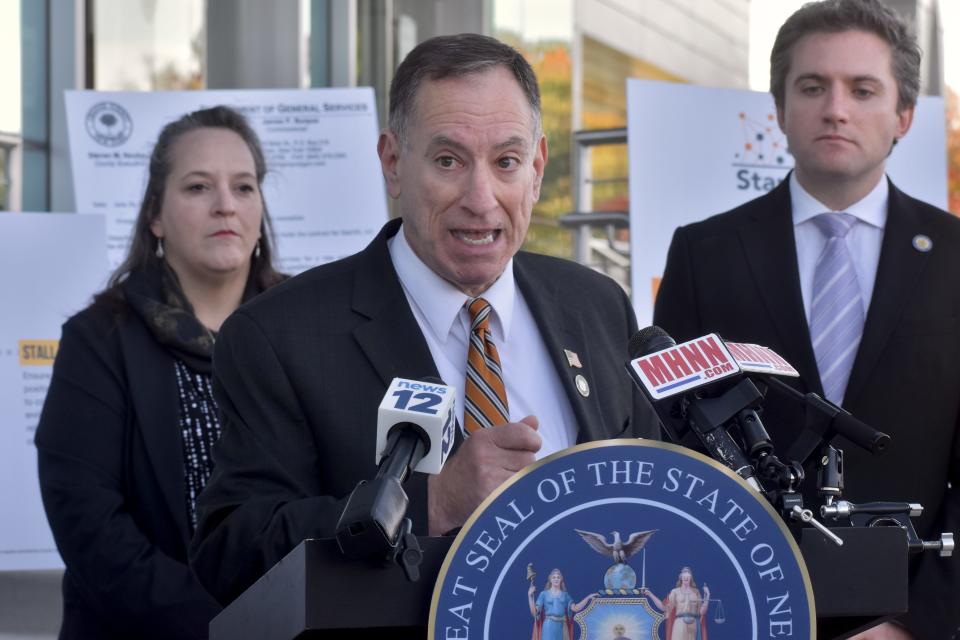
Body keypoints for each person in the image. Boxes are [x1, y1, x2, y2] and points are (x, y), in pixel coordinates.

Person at [189, 33, 659, 611]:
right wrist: (430, 501)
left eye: (505, 162)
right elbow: (231, 549)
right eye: (448, 161)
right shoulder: (278, 336)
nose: (481, 198)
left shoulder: (597, 305)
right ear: (393, 164)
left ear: (536, 169)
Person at [653, 1, 959, 637]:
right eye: (813, 86)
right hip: (740, 607)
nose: (836, 108)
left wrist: (918, 621)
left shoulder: (957, 258)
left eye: (863, 89)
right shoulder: (703, 254)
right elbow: (673, 448)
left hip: (912, 616)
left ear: (904, 115)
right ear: (780, 108)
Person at [35, 106, 285, 639]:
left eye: (243, 187)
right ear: (155, 215)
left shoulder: (306, 325)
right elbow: (89, 527)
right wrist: (227, 626)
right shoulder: (98, 339)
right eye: (198, 188)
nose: (225, 206)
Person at [642, 567, 710, 640]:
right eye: (684, 575)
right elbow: (664, 607)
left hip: (693, 626)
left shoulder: (696, 592)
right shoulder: (675, 592)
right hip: (679, 624)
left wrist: (707, 595)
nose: (686, 577)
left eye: (688, 575)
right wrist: (650, 594)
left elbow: (701, 612)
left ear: (691, 577)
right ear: (681, 577)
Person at [527, 568, 596, 640]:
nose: (556, 579)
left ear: (561, 580)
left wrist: (588, 598)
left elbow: (575, 608)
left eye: (558, 577)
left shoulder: (565, 595)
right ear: (550, 579)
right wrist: (530, 596)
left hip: (562, 626)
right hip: (548, 626)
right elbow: (535, 613)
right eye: (554, 577)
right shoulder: (544, 594)